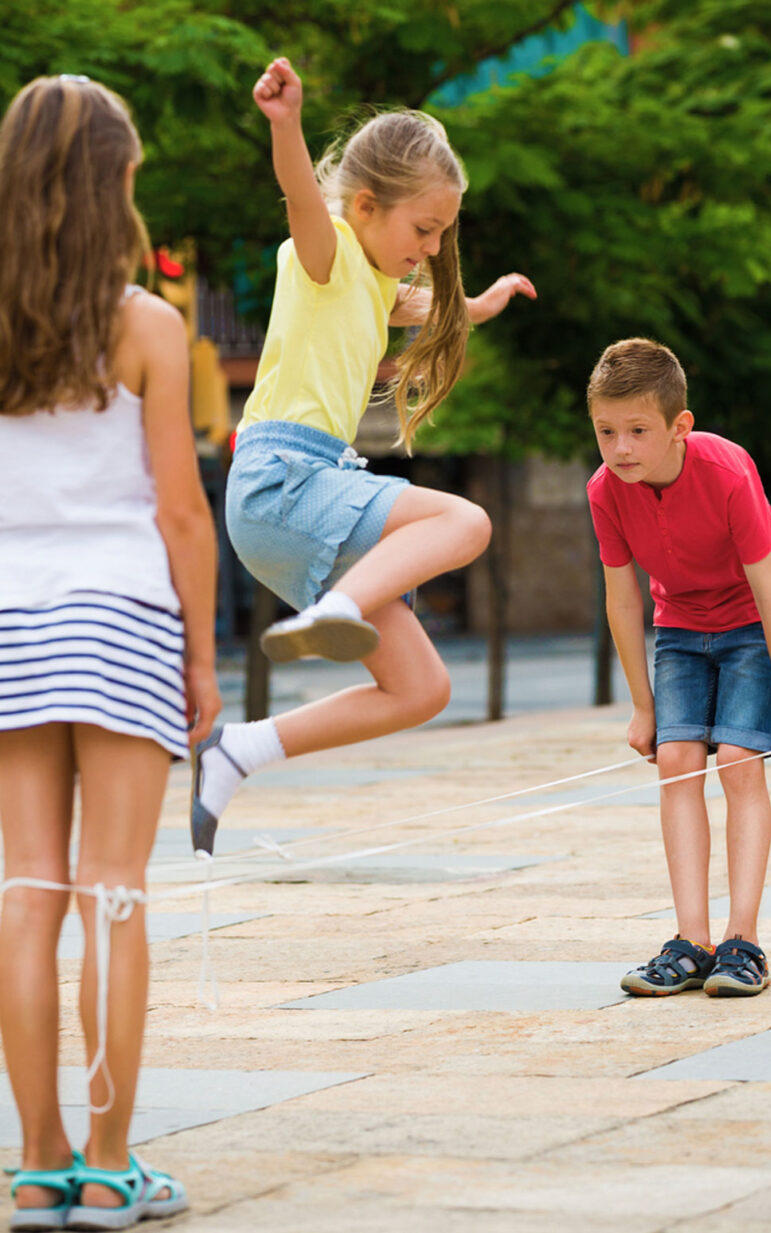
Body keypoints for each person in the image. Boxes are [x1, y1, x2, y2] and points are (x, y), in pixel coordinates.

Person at [191, 57, 536, 854]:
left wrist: (477, 303)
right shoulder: (327, 254)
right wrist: (286, 124)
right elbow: (304, 198)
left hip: (307, 493)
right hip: (282, 481)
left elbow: (428, 305)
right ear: (367, 205)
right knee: (466, 520)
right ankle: (335, 612)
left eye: (444, 233)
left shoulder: (375, 283)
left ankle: (239, 750)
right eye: (424, 230)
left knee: (422, 689)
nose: (431, 247)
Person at [0, 76, 220, 1229]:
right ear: (109, 184)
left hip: (8, 621)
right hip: (123, 616)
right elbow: (182, 513)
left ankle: (37, 1166)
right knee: (115, 895)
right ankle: (109, 1163)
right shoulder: (144, 326)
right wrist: (202, 658)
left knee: (27, 891)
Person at [586, 338, 771, 998]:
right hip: (682, 623)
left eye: (638, 430)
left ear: (678, 425)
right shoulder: (606, 490)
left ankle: (742, 942)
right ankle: (691, 941)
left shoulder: (726, 469)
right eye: (607, 431)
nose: (621, 447)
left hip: (752, 614)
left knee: (739, 761)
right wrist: (642, 705)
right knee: (676, 762)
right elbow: (623, 595)